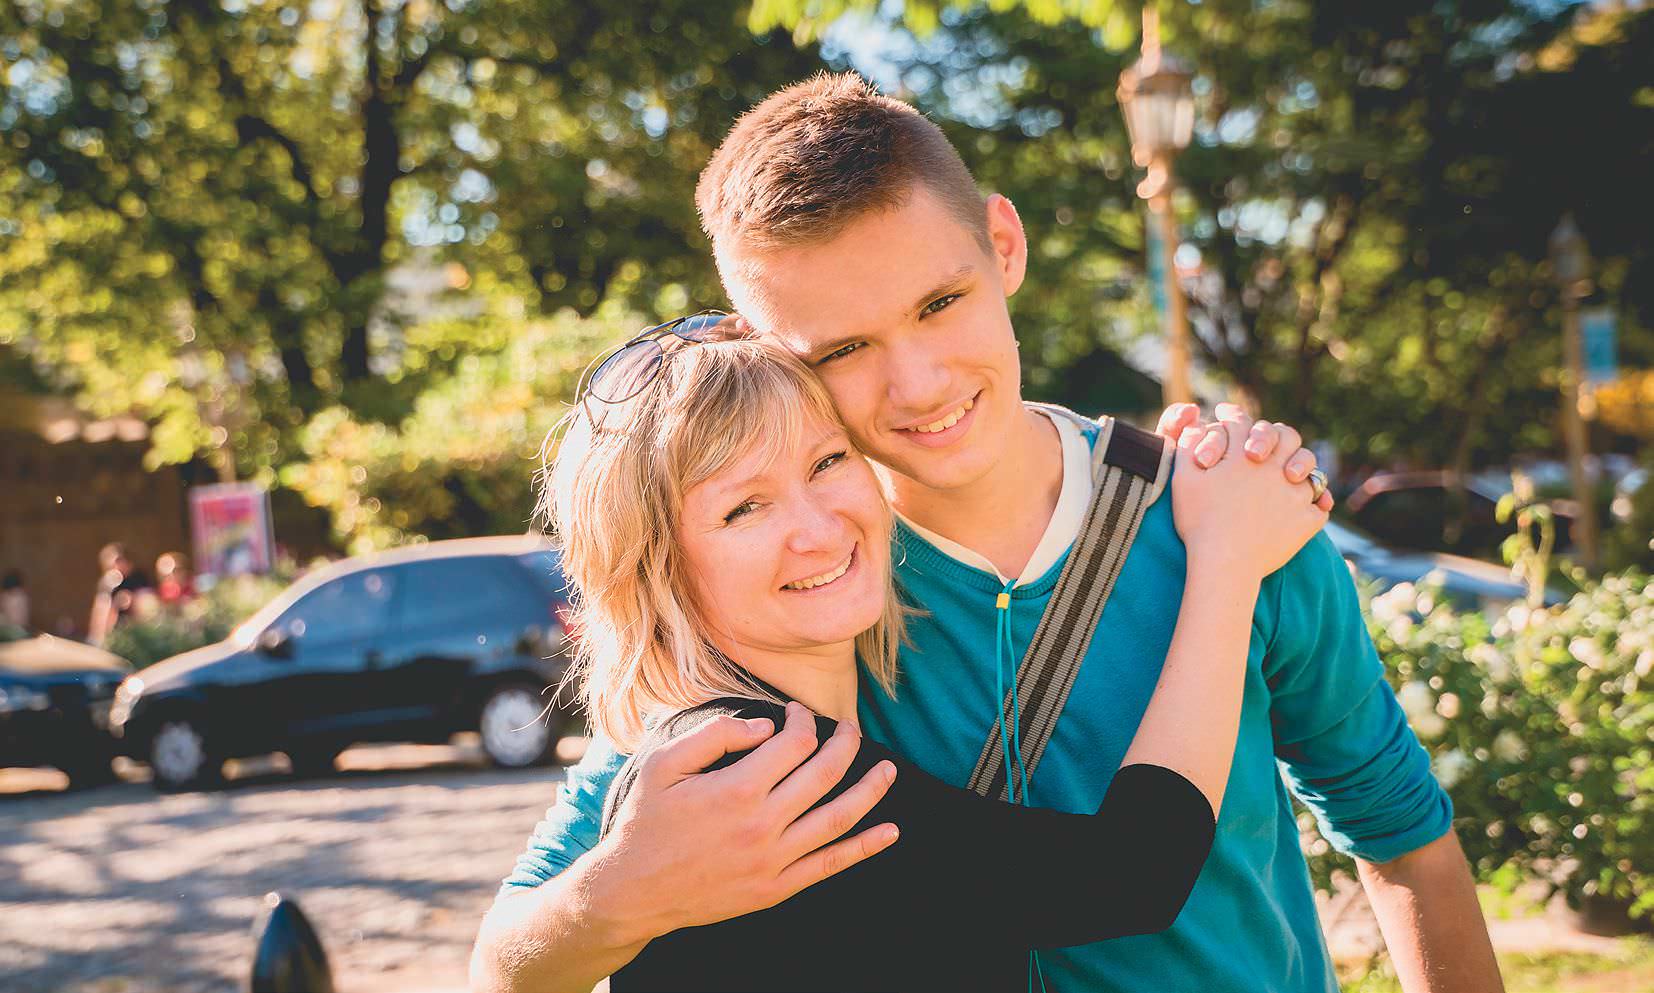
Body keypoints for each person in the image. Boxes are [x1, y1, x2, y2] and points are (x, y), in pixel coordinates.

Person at [473, 74, 1502, 993]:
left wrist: (1222, 557)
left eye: (940, 301)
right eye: (842, 348)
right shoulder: (787, 603)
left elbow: (1401, 838)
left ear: (1002, 246)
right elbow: (514, 950)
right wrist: (608, 904)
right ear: (766, 348)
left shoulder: (1232, 518)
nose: (916, 383)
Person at [536, 328, 1324, 990]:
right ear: (656, 566)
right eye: (744, 507)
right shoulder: (754, 765)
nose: (818, 526)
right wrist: (1226, 560)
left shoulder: (753, 738)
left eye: (827, 462)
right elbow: (1131, 874)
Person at [87, 542, 153, 645]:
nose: (117, 566)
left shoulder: (139, 580)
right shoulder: (108, 584)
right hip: (114, 634)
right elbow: (101, 616)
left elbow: (148, 605)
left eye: (120, 561)